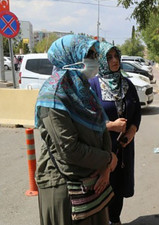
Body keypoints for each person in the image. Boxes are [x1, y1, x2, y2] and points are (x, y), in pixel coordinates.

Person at [35, 35, 118, 225]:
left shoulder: (82, 89)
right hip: (65, 189)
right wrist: (107, 159)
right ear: (70, 58)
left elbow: (101, 128)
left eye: (96, 56)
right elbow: (69, 150)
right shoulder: (54, 97)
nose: (95, 61)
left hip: (94, 183)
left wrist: (106, 165)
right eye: (89, 55)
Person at [89, 42, 141, 225]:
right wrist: (110, 125)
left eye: (116, 56)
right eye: (109, 57)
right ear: (102, 60)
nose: (114, 60)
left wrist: (132, 131)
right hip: (103, 148)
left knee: (119, 186)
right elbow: (86, 118)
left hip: (124, 147)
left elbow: (136, 112)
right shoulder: (93, 86)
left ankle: (115, 219)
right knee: (102, 187)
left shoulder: (126, 84)